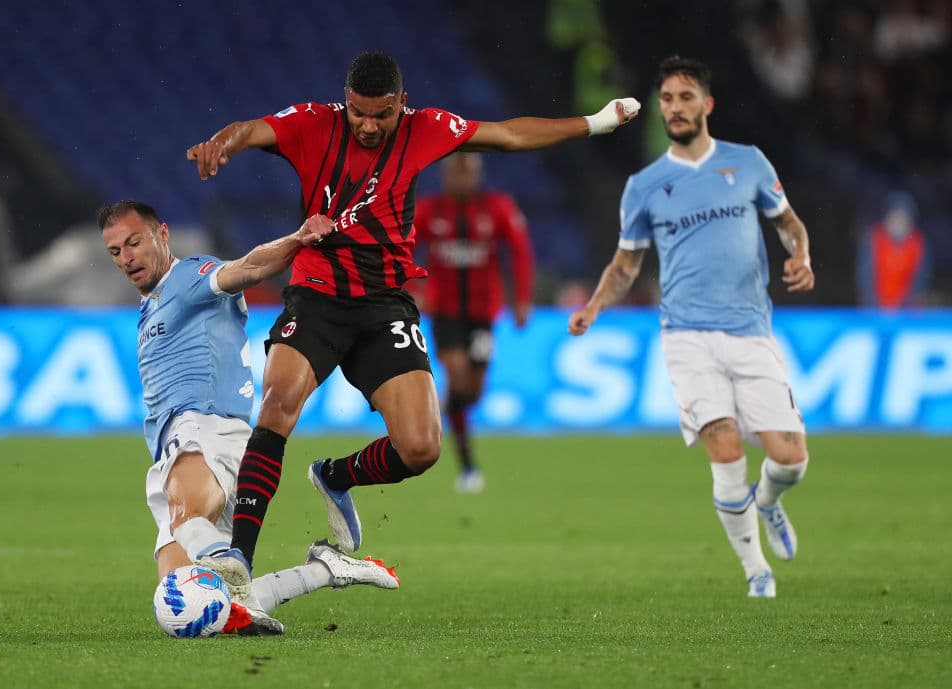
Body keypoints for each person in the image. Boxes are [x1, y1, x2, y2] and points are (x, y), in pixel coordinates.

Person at [185, 51, 639, 592]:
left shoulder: (426, 128)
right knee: (279, 401)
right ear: (345, 101)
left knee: (421, 447)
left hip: (384, 305)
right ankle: (239, 557)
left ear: (402, 103)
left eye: (381, 114)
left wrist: (597, 122)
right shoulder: (313, 123)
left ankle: (335, 477)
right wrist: (222, 143)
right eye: (359, 113)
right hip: (317, 293)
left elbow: (509, 135)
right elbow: (251, 129)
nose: (369, 125)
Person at [568, 56, 814, 598]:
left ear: (707, 104)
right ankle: (756, 572)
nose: (675, 108)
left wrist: (801, 255)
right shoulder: (646, 186)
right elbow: (626, 264)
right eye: (667, 100)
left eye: (685, 98)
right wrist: (595, 306)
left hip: (751, 331)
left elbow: (789, 223)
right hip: (686, 337)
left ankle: (768, 502)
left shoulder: (747, 163)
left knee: (791, 458)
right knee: (724, 449)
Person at [99, 200, 400, 636]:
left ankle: (235, 564)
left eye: (133, 242)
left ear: (161, 234)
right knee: (187, 592)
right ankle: (326, 570)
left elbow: (247, 268)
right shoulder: (153, 303)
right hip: (179, 444)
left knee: (189, 520)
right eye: (114, 251)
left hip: (204, 429)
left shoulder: (188, 276)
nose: (126, 258)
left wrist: (297, 240)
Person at [414, 152, 535, 492]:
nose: (461, 180)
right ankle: (467, 465)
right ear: (445, 176)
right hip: (445, 312)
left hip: (483, 313)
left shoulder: (497, 208)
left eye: (467, 174)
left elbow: (521, 251)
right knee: (455, 371)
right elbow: (404, 248)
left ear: (477, 176)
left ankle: (448, 408)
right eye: (455, 174)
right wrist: (412, 289)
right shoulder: (429, 210)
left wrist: (522, 299)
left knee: (472, 391)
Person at [856, 190, 929, 308]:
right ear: (886, 220)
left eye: (903, 220)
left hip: (907, 310)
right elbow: (865, 278)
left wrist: (905, 307)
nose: (898, 224)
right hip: (874, 307)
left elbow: (919, 281)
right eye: (894, 219)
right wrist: (873, 305)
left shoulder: (918, 244)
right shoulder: (872, 240)